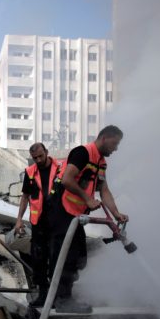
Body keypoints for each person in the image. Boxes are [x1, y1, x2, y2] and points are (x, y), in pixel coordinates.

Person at [48, 125, 129, 304]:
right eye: (114, 144)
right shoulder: (82, 153)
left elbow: (104, 190)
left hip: (75, 216)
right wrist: (87, 199)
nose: (115, 149)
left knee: (80, 258)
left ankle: (64, 294)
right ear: (104, 138)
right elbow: (67, 179)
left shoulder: (101, 162)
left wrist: (116, 213)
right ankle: (61, 299)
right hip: (62, 211)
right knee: (66, 256)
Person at [14, 142, 62, 307]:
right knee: (39, 260)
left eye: (41, 156)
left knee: (57, 259)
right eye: (35, 158)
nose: (39, 160)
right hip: (39, 224)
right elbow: (25, 196)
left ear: (46, 152)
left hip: (58, 223)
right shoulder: (30, 172)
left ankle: (58, 296)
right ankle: (43, 295)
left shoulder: (60, 169)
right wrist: (19, 219)